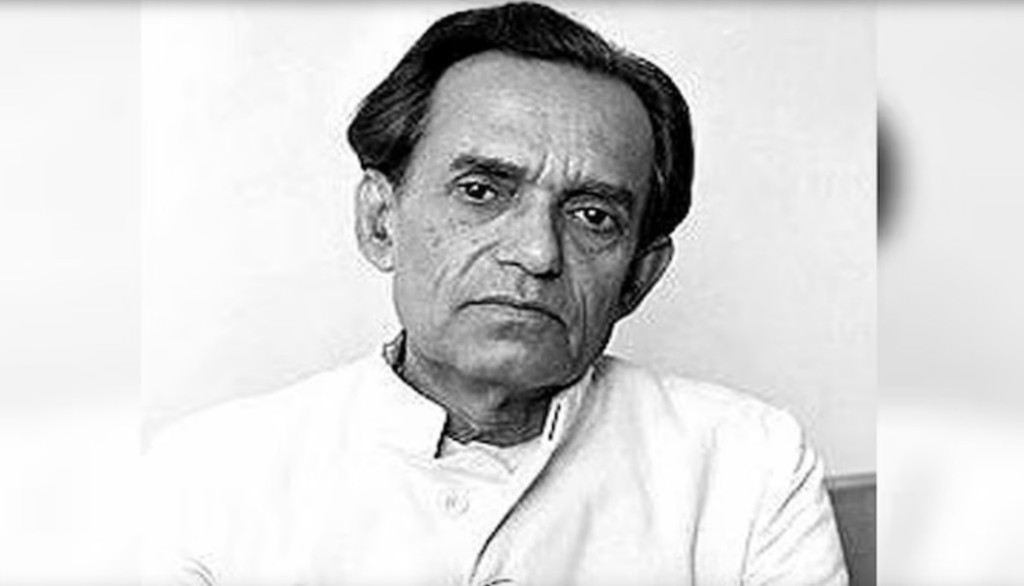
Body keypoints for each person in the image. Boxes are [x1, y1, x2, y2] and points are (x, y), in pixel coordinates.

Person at [144, 3, 847, 585]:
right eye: (481, 191)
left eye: (593, 215)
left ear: (639, 275)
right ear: (381, 221)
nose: (537, 253)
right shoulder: (207, 475)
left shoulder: (750, 467)